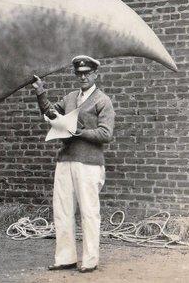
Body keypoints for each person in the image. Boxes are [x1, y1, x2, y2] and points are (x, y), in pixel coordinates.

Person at [31, 55, 115, 274]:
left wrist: (80, 132)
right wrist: (41, 93)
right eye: (79, 73)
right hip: (65, 160)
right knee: (62, 210)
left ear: (95, 74)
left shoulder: (102, 100)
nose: (83, 76)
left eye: (87, 73)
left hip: (89, 163)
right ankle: (65, 257)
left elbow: (106, 134)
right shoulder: (69, 97)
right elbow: (52, 113)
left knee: (88, 212)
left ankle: (89, 260)